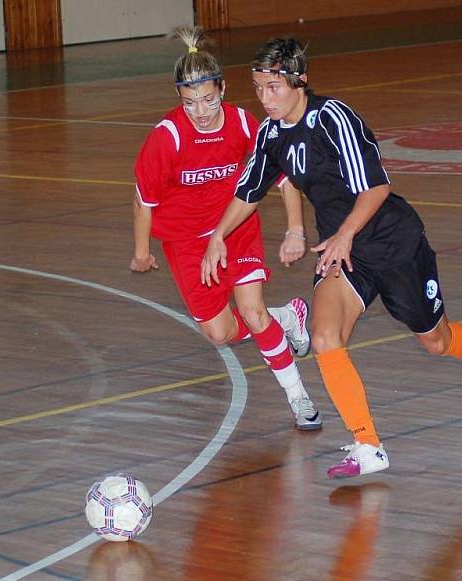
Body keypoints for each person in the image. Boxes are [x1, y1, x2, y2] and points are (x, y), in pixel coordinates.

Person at [201, 37, 462, 478]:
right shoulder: (271, 135)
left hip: (393, 243)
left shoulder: (332, 118)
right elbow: (248, 192)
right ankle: (368, 444)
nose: (264, 99)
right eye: (258, 88)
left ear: (299, 80)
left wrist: (344, 234)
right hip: (343, 253)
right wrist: (217, 236)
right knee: (325, 338)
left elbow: (377, 187)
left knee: (434, 341)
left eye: (273, 88)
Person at [131, 26, 322, 430]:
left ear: (222, 88)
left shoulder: (240, 123)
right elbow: (144, 201)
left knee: (252, 314)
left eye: (209, 100)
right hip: (185, 242)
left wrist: (294, 229)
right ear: (178, 99)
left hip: (235, 228)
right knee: (220, 333)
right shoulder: (167, 139)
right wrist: (142, 251)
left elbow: (285, 178)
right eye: (190, 103)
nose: (201, 111)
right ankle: (287, 318)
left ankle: (299, 397)